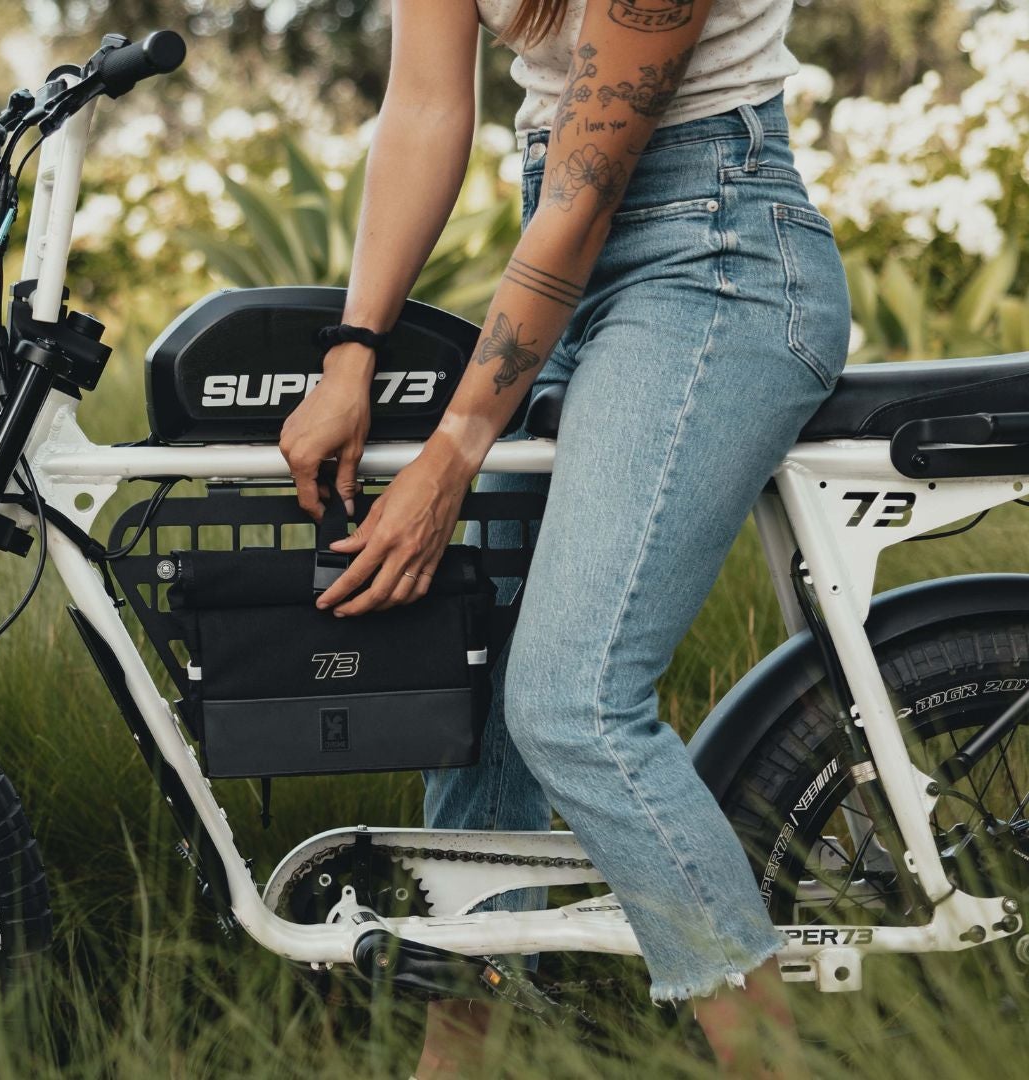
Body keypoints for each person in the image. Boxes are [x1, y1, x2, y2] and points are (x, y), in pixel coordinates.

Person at [278, 0, 846, 1075]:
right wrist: (350, 352)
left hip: (715, 260)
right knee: (473, 683)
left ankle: (773, 1063)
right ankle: (461, 1058)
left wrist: (453, 454)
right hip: (570, 267)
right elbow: (426, 105)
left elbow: (585, 204)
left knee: (572, 701)